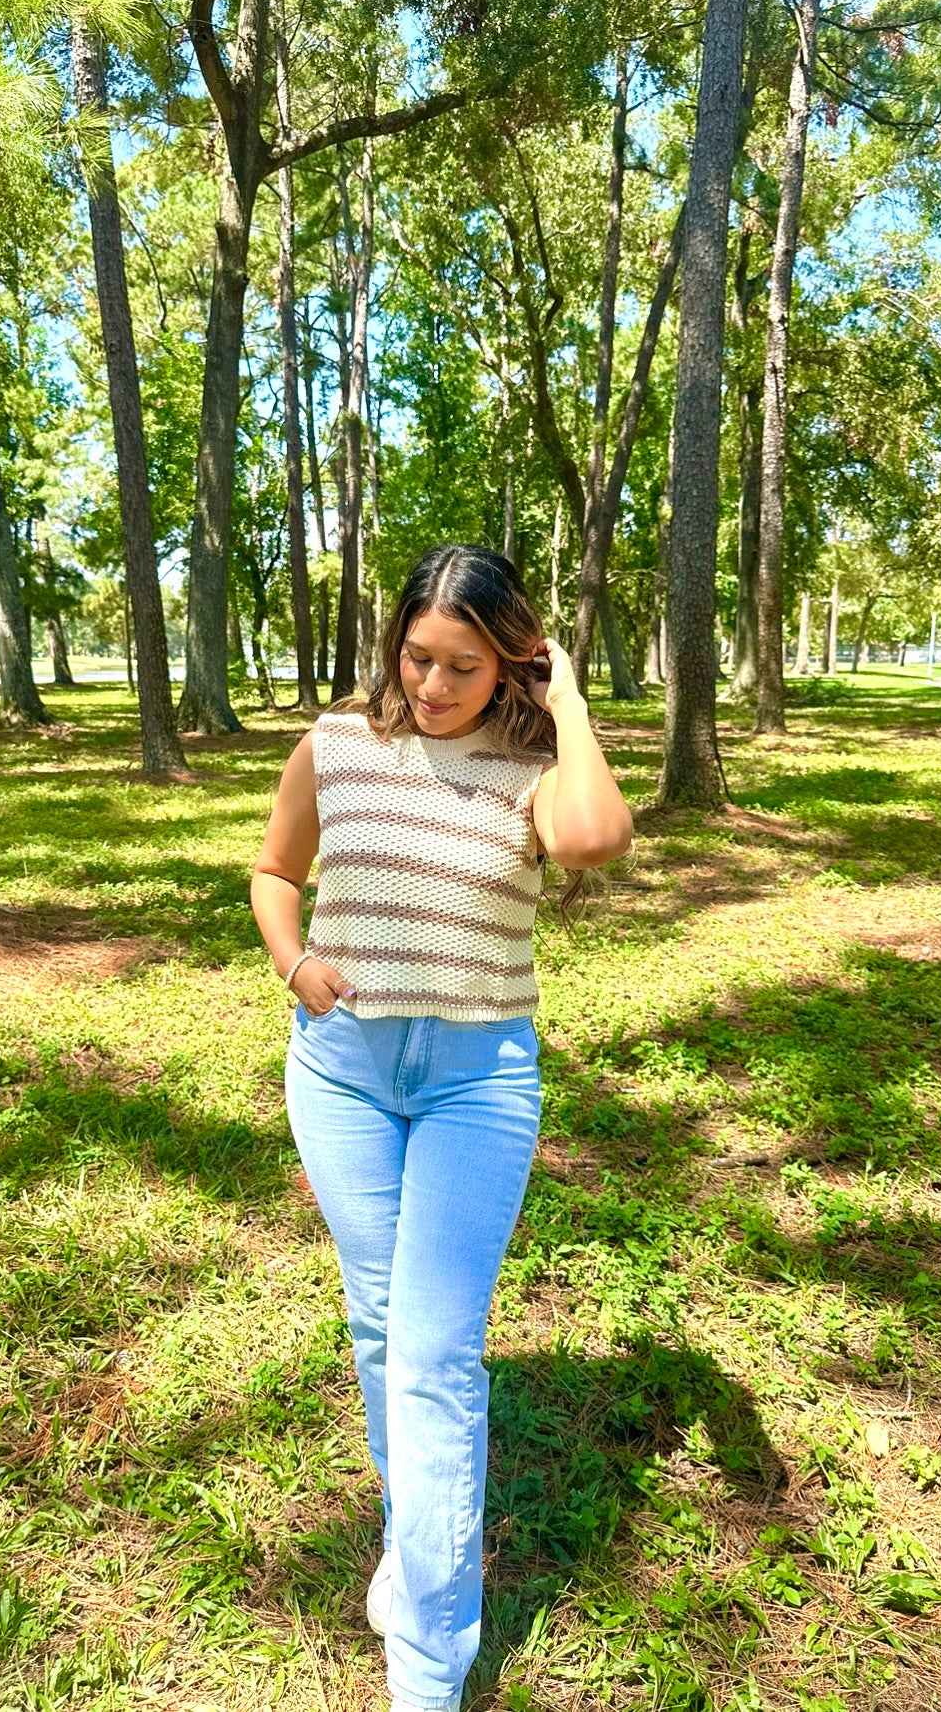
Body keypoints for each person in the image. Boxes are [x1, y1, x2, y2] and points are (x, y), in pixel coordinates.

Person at [250, 544, 632, 1711]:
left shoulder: (533, 771)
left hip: (477, 1081)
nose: (431, 683)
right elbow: (274, 870)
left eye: (464, 665)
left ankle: (426, 1661)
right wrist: (296, 962)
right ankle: (414, 1540)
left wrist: (566, 701)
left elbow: (592, 841)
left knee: (432, 1352)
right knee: (378, 1328)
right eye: (417, 656)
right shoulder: (336, 745)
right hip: (345, 1073)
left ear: (509, 659)